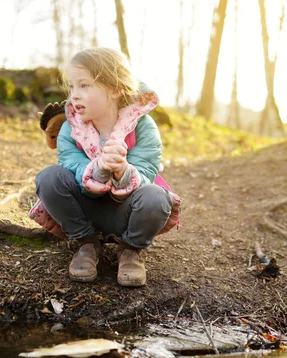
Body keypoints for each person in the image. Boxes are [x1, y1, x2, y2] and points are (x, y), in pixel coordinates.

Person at [32, 48, 181, 287]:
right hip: (85, 206)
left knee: (157, 197)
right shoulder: (71, 128)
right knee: (49, 178)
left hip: (127, 211)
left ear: (114, 89)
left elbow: (147, 169)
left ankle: (130, 249)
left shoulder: (144, 127)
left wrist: (123, 169)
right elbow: (69, 163)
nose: (74, 96)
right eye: (71, 87)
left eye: (84, 85)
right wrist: (98, 169)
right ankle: (87, 243)